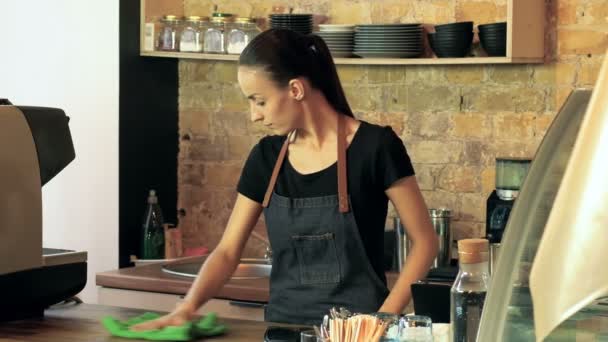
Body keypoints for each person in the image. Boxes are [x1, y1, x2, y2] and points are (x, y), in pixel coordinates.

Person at [133, 28, 438, 329]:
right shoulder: (266, 157)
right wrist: (186, 307)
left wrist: (379, 322)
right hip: (283, 330)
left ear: (295, 90)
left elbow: (425, 243)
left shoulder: (376, 147)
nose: (254, 115)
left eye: (259, 100)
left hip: (357, 334)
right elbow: (227, 252)